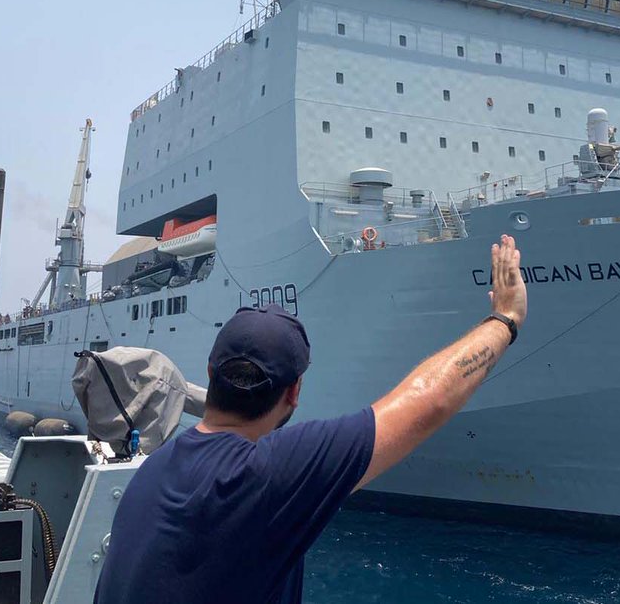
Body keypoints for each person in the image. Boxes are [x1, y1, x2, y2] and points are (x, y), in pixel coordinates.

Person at [95, 234, 528, 604]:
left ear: (211, 374)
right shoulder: (263, 476)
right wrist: (505, 319)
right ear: (294, 393)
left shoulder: (149, 473)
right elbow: (424, 403)